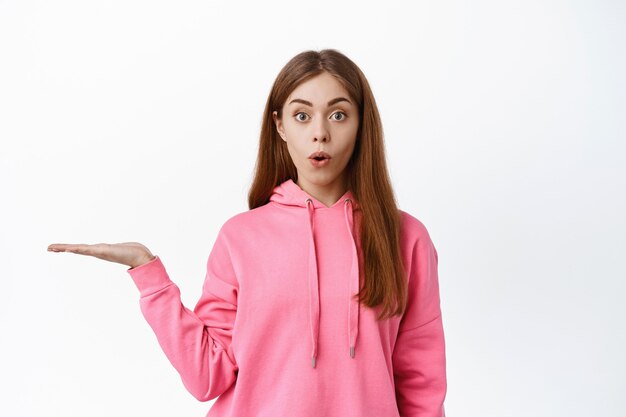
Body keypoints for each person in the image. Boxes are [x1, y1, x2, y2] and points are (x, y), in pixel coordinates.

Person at [48, 49, 447, 417]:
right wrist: (148, 274)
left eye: (339, 114)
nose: (320, 133)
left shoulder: (405, 237)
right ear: (280, 126)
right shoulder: (241, 238)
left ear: (362, 124)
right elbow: (208, 377)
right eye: (302, 115)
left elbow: (421, 386)